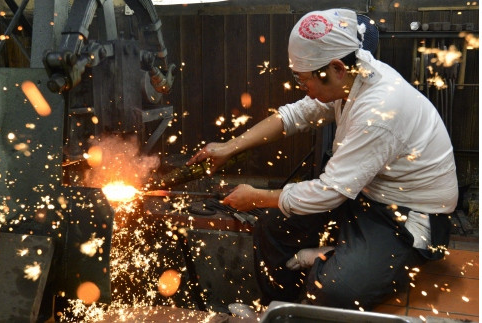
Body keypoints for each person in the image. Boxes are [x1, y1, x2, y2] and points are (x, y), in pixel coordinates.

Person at [186, 8, 458, 311]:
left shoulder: (379, 110)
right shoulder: (353, 76)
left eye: (305, 80)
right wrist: (229, 147)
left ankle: (324, 263)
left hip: (407, 216)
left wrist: (257, 197)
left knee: (334, 291)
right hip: (364, 195)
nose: (304, 88)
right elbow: (295, 115)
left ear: (337, 68)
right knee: (272, 228)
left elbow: (329, 192)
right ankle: (276, 308)